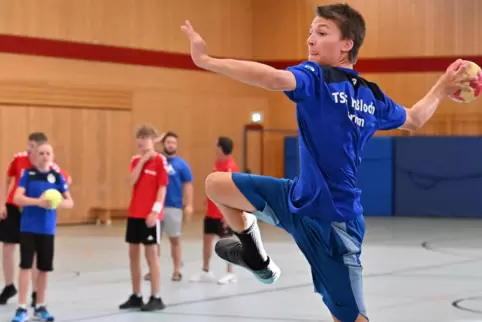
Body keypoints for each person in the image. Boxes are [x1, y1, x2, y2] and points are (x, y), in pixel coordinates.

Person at [181, 3, 476, 322]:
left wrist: (207, 61)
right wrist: (441, 88)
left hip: (333, 223)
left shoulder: (328, 81)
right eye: (310, 33)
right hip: (296, 198)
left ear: (347, 43)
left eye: (321, 33)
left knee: (350, 319)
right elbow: (416, 118)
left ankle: (262, 260)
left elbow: (271, 79)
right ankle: (257, 259)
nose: (310, 40)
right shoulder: (361, 92)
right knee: (217, 184)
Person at [0, 132, 71, 307]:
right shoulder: (19, 160)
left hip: (34, 212)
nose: (29, 150)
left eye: (33, 147)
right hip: (15, 207)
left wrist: (52, 197)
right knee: (7, 246)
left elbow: (66, 180)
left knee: (32, 254)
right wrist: (2, 203)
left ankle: (35, 293)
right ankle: (9, 286)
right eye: (28, 146)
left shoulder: (49, 166)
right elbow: (7, 178)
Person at [119, 125, 168, 312]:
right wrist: (143, 160)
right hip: (134, 214)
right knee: (133, 255)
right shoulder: (135, 160)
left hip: (150, 216)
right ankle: (136, 295)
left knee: (151, 256)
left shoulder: (160, 161)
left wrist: (155, 212)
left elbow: (162, 188)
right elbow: (131, 181)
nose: (141, 141)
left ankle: (156, 296)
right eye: (139, 137)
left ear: (153, 140)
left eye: (146, 137)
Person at [144, 132, 193, 282]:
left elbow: (188, 185)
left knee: (175, 240)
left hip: (174, 207)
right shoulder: (156, 160)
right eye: (168, 142)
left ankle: (177, 270)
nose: (171, 145)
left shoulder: (181, 164)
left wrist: (189, 204)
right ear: (163, 144)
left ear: (176, 145)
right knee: (153, 241)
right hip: (156, 208)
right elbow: (146, 151)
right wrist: (155, 139)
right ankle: (153, 270)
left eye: (173, 143)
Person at [189, 136, 238, 285]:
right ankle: (206, 270)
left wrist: (228, 213)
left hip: (222, 213)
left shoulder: (231, 167)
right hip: (211, 211)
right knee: (207, 240)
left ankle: (230, 273)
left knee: (226, 243)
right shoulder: (217, 163)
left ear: (221, 148)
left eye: (216, 145)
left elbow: (232, 192)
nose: (214, 147)